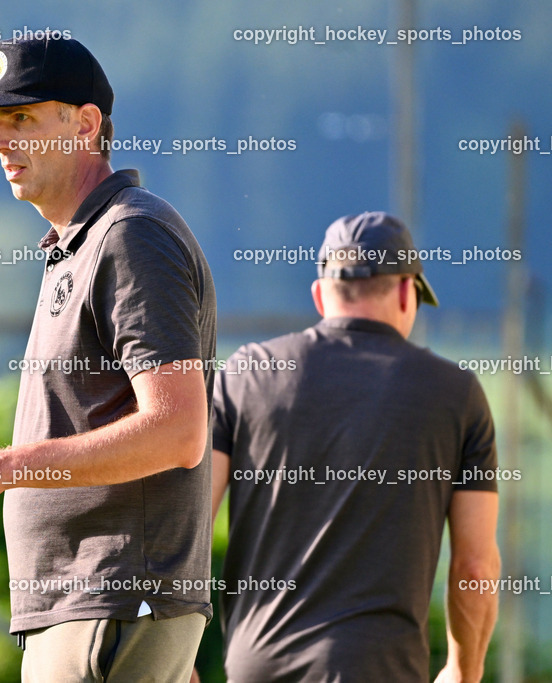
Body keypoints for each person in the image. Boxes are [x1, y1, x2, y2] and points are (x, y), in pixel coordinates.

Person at [0, 35, 217, 682]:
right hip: (98, 611)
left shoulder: (131, 235)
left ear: (87, 124)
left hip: (113, 602)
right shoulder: (81, 242)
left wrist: (0, 467)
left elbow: (179, 431)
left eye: (21, 118)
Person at [210, 212, 501, 682]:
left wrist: (175, 657)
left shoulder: (246, 374)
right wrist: (463, 672)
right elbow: (474, 567)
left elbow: (185, 527)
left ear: (320, 295)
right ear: (407, 292)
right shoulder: (456, 394)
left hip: (256, 668)